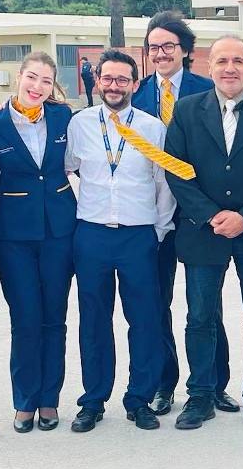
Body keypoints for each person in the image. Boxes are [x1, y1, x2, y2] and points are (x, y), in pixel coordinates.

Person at [163, 34, 243, 430]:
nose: (230, 68)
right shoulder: (187, 111)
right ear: (209, 67)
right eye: (222, 61)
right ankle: (200, 396)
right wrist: (211, 215)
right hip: (204, 233)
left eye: (238, 60)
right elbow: (176, 170)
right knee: (200, 318)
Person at [65, 49, 189, 433]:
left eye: (122, 79)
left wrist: (159, 229)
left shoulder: (152, 128)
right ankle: (93, 400)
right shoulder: (80, 124)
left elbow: (163, 182)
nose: (114, 86)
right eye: (108, 78)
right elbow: (68, 170)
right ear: (97, 80)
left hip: (139, 235)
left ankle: (139, 399)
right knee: (94, 320)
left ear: (135, 84)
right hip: (92, 235)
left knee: (145, 319)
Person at [132, 11, 237, 417]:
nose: (160, 53)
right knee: (157, 304)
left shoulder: (209, 90)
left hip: (200, 215)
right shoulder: (137, 94)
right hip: (152, 217)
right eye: (153, 47)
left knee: (206, 306)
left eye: (168, 46)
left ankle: (214, 384)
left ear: (186, 50)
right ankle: (165, 384)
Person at [0, 52, 76, 433]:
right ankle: (24, 400)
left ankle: (49, 400)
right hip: (13, 236)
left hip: (59, 232)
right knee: (25, 319)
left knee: (54, 319)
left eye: (46, 81)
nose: (37, 87)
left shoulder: (63, 117)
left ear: (53, 87)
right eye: (32, 77)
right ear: (19, 77)